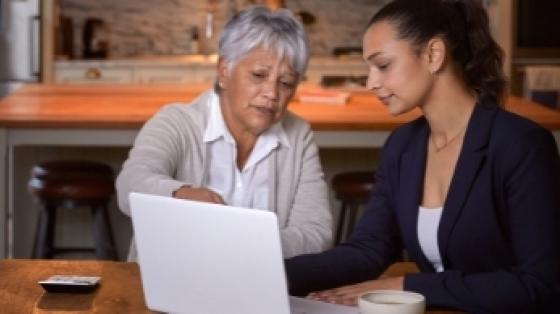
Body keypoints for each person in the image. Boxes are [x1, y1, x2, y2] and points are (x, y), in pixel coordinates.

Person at [285, 0, 560, 313]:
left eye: (383, 65)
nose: (371, 82)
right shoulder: (402, 146)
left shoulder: (521, 145)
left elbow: (540, 283)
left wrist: (406, 285)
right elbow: (368, 250)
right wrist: (273, 274)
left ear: (433, 54)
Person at [116, 6, 332, 261]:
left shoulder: (298, 135)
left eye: (285, 83)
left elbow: (317, 234)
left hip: (258, 289)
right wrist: (181, 194)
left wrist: (238, 243)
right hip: (168, 288)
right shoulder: (176, 122)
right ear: (224, 71)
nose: (272, 94)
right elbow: (130, 184)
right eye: (258, 75)